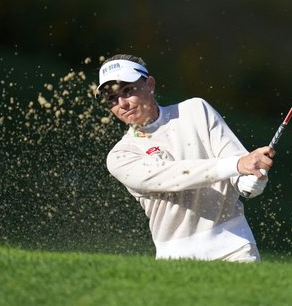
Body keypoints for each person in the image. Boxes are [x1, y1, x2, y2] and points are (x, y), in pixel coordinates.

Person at [98, 54, 275, 262]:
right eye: (112, 99)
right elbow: (170, 177)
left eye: (128, 91)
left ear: (150, 84)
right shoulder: (121, 155)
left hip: (235, 246)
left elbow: (236, 160)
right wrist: (237, 165)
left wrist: (251, 179)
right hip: (174, 257)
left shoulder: (194, 110)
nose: (122, 104)